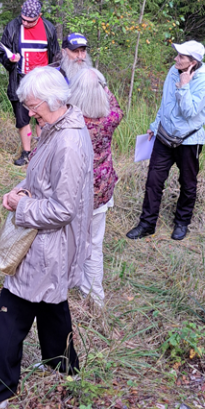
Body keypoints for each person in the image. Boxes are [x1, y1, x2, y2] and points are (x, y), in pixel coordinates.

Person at [0, 67, 93, 409]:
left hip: (48, 243)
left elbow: (63, 209)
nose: (29, 112)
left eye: (33, 105)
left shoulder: (67, 141)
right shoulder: (55, 127)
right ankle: (64, 367)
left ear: (54, 100)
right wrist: (20, 191)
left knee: (13, 309)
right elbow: (43, 181)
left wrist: (23, 206)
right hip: (48, 242)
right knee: (51, 303)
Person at [126, 40, 205, 241]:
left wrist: (184, 86)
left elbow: (190, 112)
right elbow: (165, 102)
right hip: (164, 136)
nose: (176, 59)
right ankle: (147, 224)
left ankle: (182, 223)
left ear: (193, 62)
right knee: (153, 181)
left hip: (189, 140)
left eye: (181, 57)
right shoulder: (173, 70)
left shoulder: (204, 81)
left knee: (188, 183)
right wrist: (155, 124)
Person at [68, 68, 123, 305]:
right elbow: (116, 107)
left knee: (69, 241)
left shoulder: (70, 122)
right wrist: (102, 86)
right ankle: (95, 296)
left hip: (74, 192)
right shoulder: (109, 120)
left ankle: (69, 284)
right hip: (101, 190)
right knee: (94, 244)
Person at [0, 0, 60, 166]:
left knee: (42, 117)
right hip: (20, 80)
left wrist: (55, 78)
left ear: (39, 16)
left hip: (42, 82)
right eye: (23, 19)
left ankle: (42, 152)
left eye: (30, 21)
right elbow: (1, 52)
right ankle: (26, 153)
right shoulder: (12, 26)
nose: (25, 22)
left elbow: (56, 55)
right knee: (22, 118)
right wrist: (10, 60)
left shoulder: (48, 28)